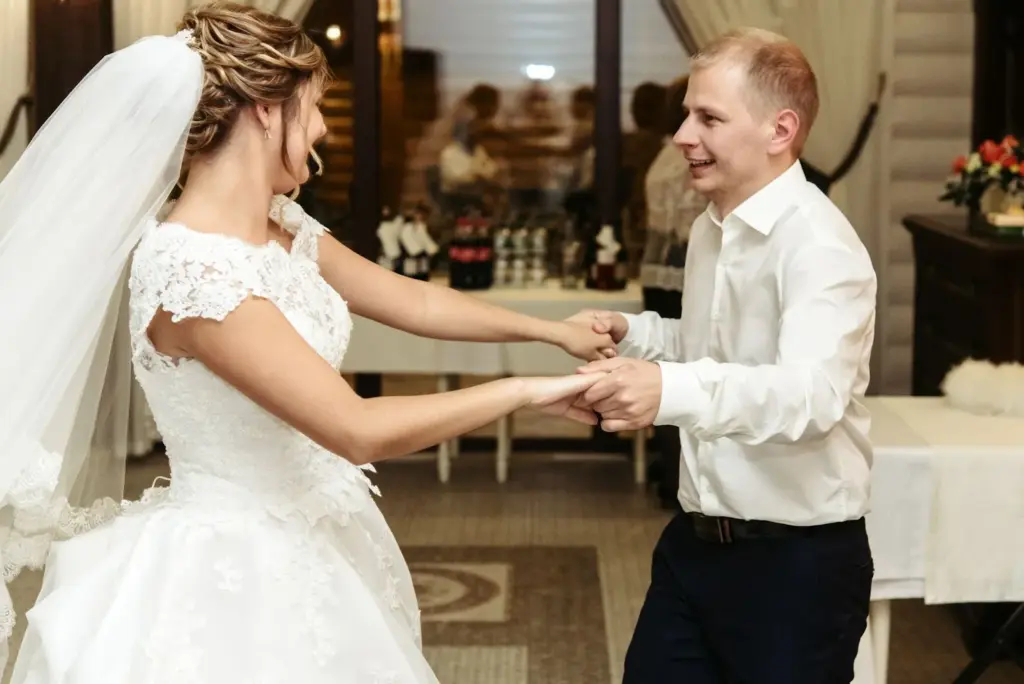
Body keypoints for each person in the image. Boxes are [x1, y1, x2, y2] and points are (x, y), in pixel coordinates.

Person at [0, 4, 616, 680]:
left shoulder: (281, 225)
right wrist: (523, 390)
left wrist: (550, 332)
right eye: (315, 106)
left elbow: (409, 298)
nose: (323, 127)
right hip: (236, 567)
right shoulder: (191, 271)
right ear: (267, 109)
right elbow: (354, 428)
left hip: (313, 529)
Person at [573, 28, 877, 683]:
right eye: (687, 113)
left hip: (794, 566)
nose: (683, 134)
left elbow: (809, 397)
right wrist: (630, 335)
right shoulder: (713, 227)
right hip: (695, 544)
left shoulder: (819, 246)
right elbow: (714, 349)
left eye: (707, 117)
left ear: (780, 129)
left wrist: (668, 391)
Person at [635, 75, 707, 509]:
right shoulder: (684, 161)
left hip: (656, 274)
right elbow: (687, 227)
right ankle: (678, 477)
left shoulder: (662, 158)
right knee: (685, 374)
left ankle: (668, 469)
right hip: (681, 276)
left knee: (662, 373)